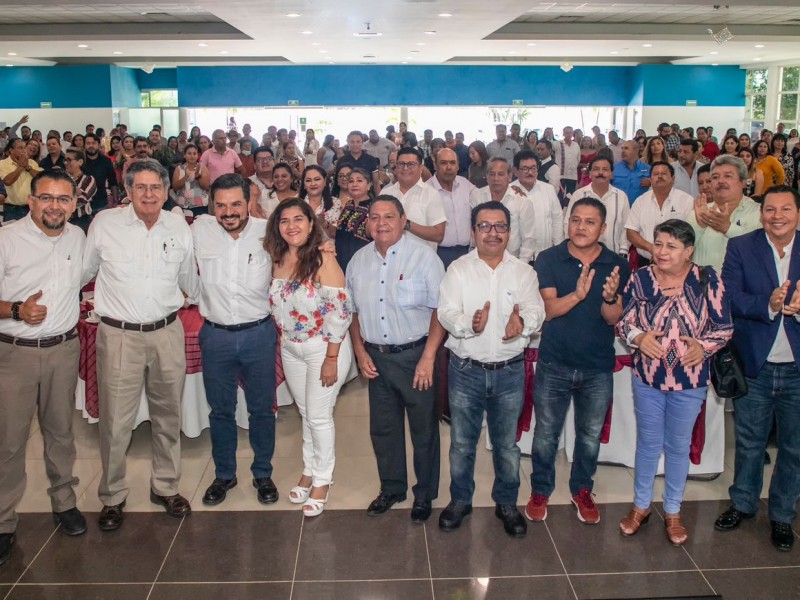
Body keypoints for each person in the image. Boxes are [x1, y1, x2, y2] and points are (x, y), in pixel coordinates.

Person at [81, 159, 198, 531]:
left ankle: (165, 486)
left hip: (167, 332)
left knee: (168, 417)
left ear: (166, 191)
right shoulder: (105, 225)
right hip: (118, 336)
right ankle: (112, 496)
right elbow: (82, 274)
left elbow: (189, 279)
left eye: (156, 188)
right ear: (127, 191)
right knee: (116, 423)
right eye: (141, 188)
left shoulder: (178, 225)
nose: (149, 194)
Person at [617, 219, 732, 546]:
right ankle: (641, 506)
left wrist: (703, 346)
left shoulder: (708, 279)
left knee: (678, 446)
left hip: (690, 380)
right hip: (648, 378)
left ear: (689, 251)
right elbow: (624, 321)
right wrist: (638, 337)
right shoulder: (640, 278)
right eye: (658, 243)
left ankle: (673, 510)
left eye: (671, 246)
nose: (661, 251)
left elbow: (723, 328)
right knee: (648, 444)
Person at [437, 202, 545, 537]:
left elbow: (535, 310)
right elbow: (446, 312)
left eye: (499, 226)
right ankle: (460, 500)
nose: (492, 233)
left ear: (509, 232)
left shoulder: (524, 272)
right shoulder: (457, 269)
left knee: (506, 445)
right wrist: (469, 324)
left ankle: (507, 502)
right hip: (466, 369)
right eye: (484, 226)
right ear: (473, 232)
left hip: (510, 371)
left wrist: (522, 323)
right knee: (462, 444)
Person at [0, 171, 87, 567]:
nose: (55, 206)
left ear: (73, 203)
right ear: (31, 201)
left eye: (63, 199)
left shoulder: (77, 237)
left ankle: (65, 502)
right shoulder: (7, 238)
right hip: (14, 354)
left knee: (60, 433)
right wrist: (16, 310)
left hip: (63, 349)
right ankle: (2, 522)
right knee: (9, 441)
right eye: (47, 198)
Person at [526, 197, 630, 525]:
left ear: (602, 228)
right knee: (546, 433)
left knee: (589, 434)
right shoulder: (549, 258)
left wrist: (610, 297)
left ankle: (582, 489)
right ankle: (540, 489)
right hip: (554, 362)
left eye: (589, 222)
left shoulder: (616, 264)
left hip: (597, 365)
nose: (581, 227)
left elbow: (614, 319)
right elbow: (548, 310)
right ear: (567, 223)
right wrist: (578, 295)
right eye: (576, 220)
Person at [346, 195, 446, 523]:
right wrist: (360, 353)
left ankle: (424, 493)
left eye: (389, 216)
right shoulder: (357, 261)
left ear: (404, 220)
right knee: (384, 429)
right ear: (367, 223)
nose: (381, 223)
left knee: (423, 430)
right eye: (374, 217)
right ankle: (392, 488)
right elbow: (353, 313)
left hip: (416, 356)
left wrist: (428, 358)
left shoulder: (425, 259)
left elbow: (439, 312)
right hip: (377, 358)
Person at [716, 185, 800, 552]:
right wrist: (768, 303)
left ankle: (782, 514)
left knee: (794, 448)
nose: (777, 216)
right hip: (755, 364)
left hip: (797, 368)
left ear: (798, 213)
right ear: (760, 212)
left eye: (785, 209)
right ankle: (743, 504)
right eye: (770, 209)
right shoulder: (741, 246)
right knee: (749, 442)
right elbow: (729, 296)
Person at [192, 174, 280, 507]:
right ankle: (224, 474)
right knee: (221, 411)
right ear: (212, 204)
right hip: (215, 337)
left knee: (261, 410)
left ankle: (263, 473)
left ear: (248, 202)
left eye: (236, 204)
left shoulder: (267, 232)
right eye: (221, 205)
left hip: (259, 334)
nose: (229, 212)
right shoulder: (200, 230)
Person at [267, 198, 353, 516]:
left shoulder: (322, 259)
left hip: (324, 348)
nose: (292, 226)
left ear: (310, 223)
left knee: (318, 416)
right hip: (291, 347)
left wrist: (331, 358)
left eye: (299, 219)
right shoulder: (277, 258)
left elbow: (341, 313)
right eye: (285, 220)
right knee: (307, 414)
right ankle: (309, 469)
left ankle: (323, 481)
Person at [689, 155, 761, 271]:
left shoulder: (760, 212)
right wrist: (700, 225)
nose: (721, 181)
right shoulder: (700, 212)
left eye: (728, 176)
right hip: (703, 286)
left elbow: (760, 248)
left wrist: (727, 228)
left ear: (743, 182)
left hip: (742, 287)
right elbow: (683, 249)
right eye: (715, 177)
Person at [625, 161, 694, 267]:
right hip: (646, 262)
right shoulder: (641, 201)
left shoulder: (686, 201)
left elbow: (691, 234)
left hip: (677, 264)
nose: (659, 176)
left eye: (664, 173)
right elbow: (630, 232)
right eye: (656, 174)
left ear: (673, 178)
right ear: (651, 179)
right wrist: (651, 248)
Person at [381, 147, 447, 251]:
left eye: (411, 164)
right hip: (389, 261)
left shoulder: (431, 194)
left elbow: (438, 235)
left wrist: (406, 224)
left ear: (421, 168)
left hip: (421, 262)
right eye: (401, 164)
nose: (405, 168)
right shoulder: (386, 193)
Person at [429, 148, 475, 268]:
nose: (448, 167)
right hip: (438, 254)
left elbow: (486, 195)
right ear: (435, 165)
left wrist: (514, 188)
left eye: (452, 163)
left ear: (458, 166)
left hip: (467, 253)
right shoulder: (426, 190)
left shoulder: (465, 184)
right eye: (443, 163)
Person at [334, 167, 372, 271]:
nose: (354, 184)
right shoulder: (348, 206)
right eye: (351, 181)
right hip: (340, 263)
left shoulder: (374, 208)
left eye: (359, 181)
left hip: (363, 266)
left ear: (368, 185)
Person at [0, 138, 43, 222]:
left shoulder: (31, 163)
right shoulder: (2, 164)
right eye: (20, 148)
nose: (24, 151)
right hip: (11, 210)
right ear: (11, 150)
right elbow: (7, 181)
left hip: (31, 208)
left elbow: (42, 178)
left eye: (24, 147)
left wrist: (28, 167)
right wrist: (20, 167)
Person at [299, 165, 343, 239]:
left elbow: (336, 235)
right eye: (308, 180)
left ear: (325, 181)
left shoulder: (335, 203)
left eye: (317, 179)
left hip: (327, 248)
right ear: (304, 184)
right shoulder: (295, 202)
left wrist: (324, 224)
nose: (313, 184)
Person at [172, 143, 211, 217]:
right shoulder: (179, 169)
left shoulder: (203, 168)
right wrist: (185, 177)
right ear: (184, 155)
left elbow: (206, 187)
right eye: (189, 153)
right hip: (183, 204)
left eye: (194, 153)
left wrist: (198, 177)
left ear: (197, 155)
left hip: (200, 205)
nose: (192, 156)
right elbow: (175, 187)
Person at [63, 148, 97, 233]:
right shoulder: (61, 178)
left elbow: (82, 200)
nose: (66, 163)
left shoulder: (89, 179)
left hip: (81, 222)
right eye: (65, 160)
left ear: (80, 162)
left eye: (69, 160)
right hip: (63, 221)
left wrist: (64, 199)